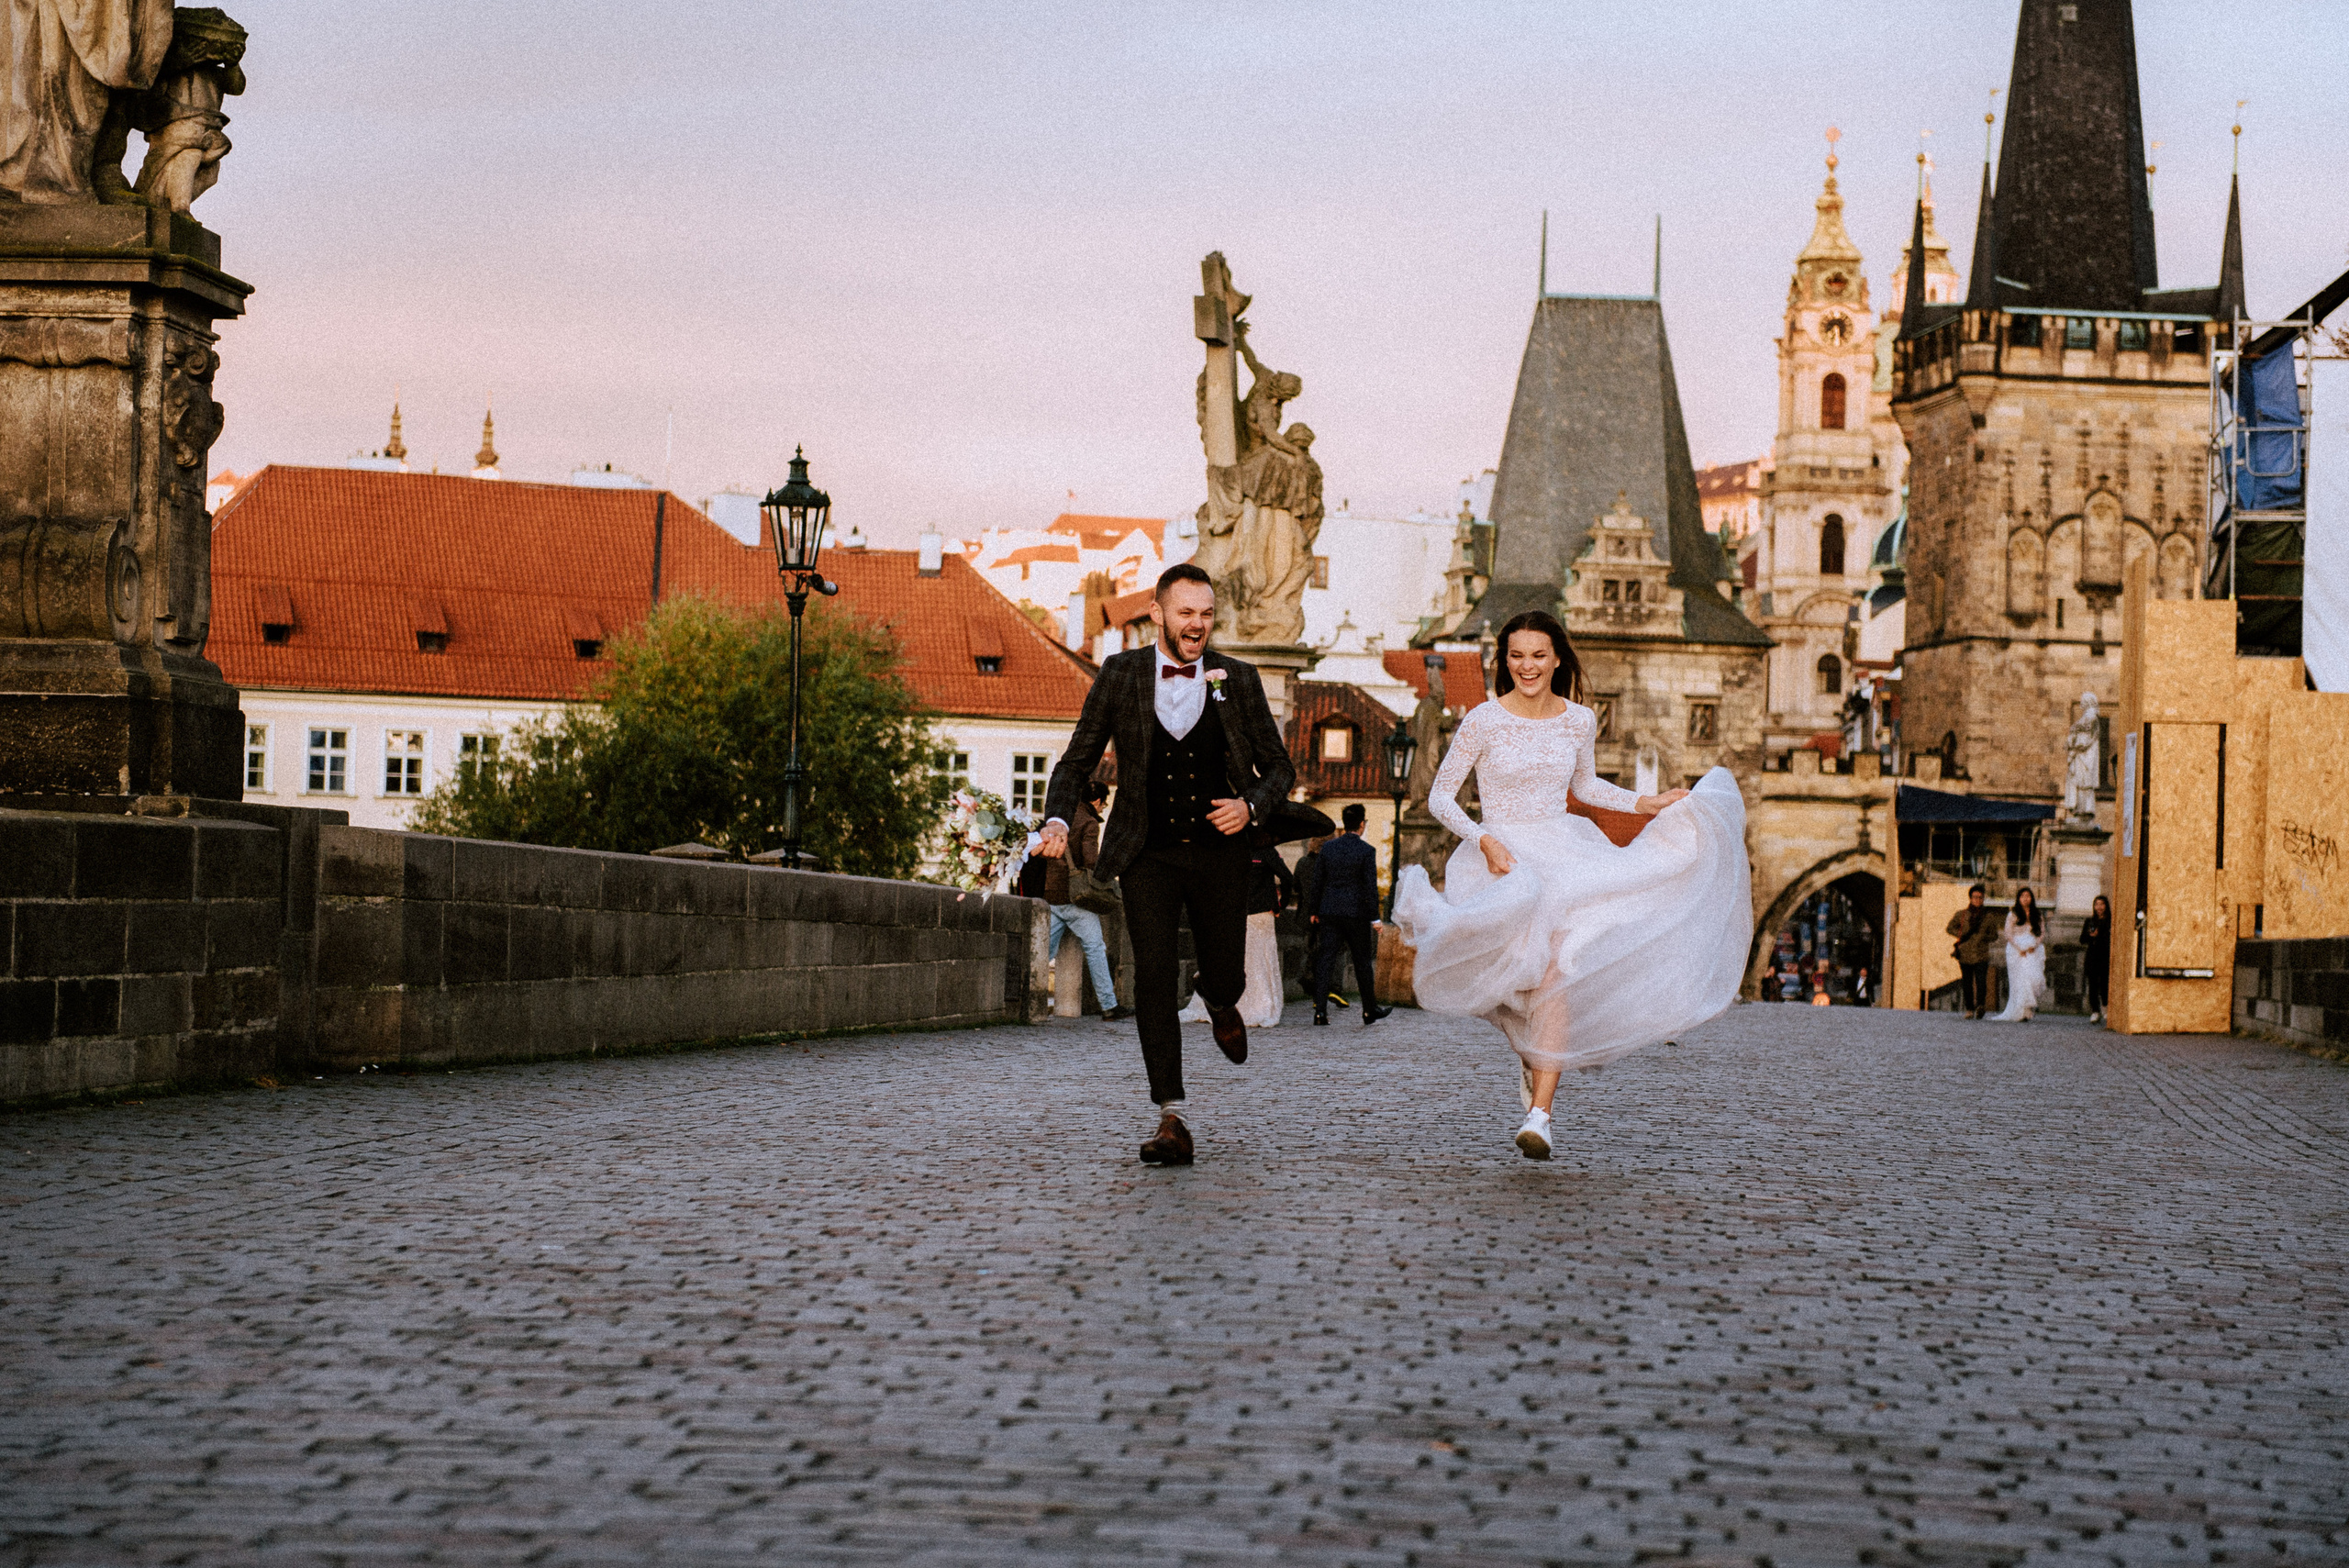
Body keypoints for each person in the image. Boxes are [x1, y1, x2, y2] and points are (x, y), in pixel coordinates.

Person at [1394, 610, 1752, 1162]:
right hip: (1500, 858)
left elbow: (1585, 786)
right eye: (1516, 656)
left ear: (1557, 659)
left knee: (1557, 974)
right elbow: (1441, 797)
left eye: (1538, 655)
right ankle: (1533, 1052)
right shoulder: (1484, 719)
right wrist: (1483, 838)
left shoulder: (1579, 719)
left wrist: (1646, 802)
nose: (1527, 667)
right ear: (1504, 660)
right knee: (1509, 989)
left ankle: (1540, 1115)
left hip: (1562, 854)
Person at [1035, 562, 1296, 1167]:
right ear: (1157, 613)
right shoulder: (1120, 673)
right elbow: (1075, 761)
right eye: (1185, 613)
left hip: (1220, 850)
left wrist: (1250, 805)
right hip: (1147, 849)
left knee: (1227, 974)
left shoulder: (1238, 678)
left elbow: (1279, 767)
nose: (1197, 625)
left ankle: (1220, 998)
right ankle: (1171, 1115)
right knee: (1151, 975)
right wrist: (1057, 821)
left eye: (1206, 614)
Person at [1041, 781, 1131, 1022]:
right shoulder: (1089, 822)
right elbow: (1091, 861)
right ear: (1097, 801)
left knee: (1043, 952)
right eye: (1104, 804)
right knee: (1095, 949)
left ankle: (1025, 999)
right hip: (1076, 899)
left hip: (1052, 895)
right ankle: (1109, 1006)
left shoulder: (1060, 819)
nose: (1102, 809)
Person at [1179, 842, 1294, 1029]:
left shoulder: (1227, 848)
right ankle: (1258, 1005)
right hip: (1260, 912)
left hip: (1233, 911)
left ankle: (1228, 1003)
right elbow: (1287, 878)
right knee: (1259, 960)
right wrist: (1281, 904)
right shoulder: (1265, 850)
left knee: (1234, 958)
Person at [1311, 804, 1391, 1028]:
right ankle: (1369, 1009)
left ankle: (1320, 1012)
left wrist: (1314, 910)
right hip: (1356, 913)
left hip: (1330, 911)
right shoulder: (1367, 851)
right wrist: (1375, 918)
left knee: (1326, 961)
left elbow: (1318, 881)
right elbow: (1369, 887)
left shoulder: (1328, 848)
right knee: (1362, 962)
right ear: (1362, 824)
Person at [1989, 886, 2048, 1022]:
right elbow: (2008, 933)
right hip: (2017, 950)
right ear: (2018, 898)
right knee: (2020, 980)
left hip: (2033, 948)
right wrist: (2019, 947)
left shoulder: (2037, 915)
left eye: (2028, 896)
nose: (2025, 899)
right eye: (2022, 896)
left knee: (2034, 978)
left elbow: (2042, 932)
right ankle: (2021, 1011)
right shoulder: (2013, 914)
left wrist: (2035, 945)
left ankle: (2027, 1010)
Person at [1947, 885, 1998, 1018]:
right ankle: (1969, 1008)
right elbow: (1950, 928)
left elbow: (1994, 935)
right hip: (1965, 953)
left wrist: (1983, 937)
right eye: (1975, 897)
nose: (1978, 900)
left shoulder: (1988, 917)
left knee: (1981, 981)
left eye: (1980, 898)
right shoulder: (1962, 915)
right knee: (1967, 982)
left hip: (1981, 953)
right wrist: (1962, 934)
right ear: (1970, 898)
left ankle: (1980, 1005)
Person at [2081, 894, 2113, 1024]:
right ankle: (2095, 1010)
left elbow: (2109, 939)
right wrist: (2091, 936)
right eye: (2097, 904)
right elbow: (2082, 939)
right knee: (2093, 985)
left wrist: (2099, 936)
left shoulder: (2110, 921)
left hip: (2105, 955)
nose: (2099, 907)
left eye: (2102, 904)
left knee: (2105, 984)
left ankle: (2105, 1007)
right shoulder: (2090, 921)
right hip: (2092, 956)